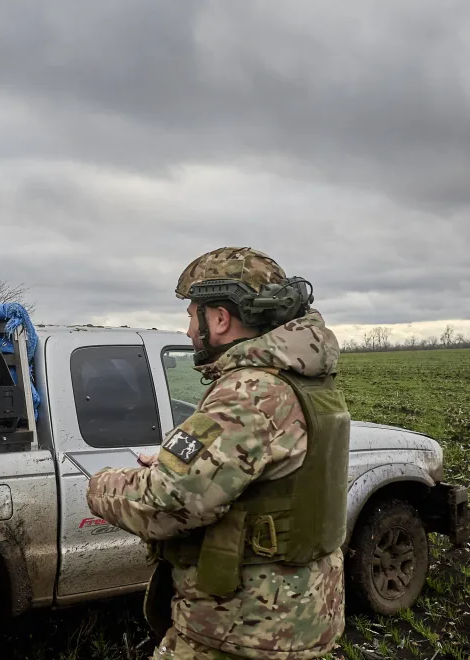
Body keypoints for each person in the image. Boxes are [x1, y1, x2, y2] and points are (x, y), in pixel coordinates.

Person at [86, 247, 349, 659]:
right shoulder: (303, 379)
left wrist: (100, 486)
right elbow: (266, 479)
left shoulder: (249, 392)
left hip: (243, 628)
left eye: (192, 315)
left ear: (220, 319)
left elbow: (166, 502)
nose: (189, 330)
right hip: (302, 613)